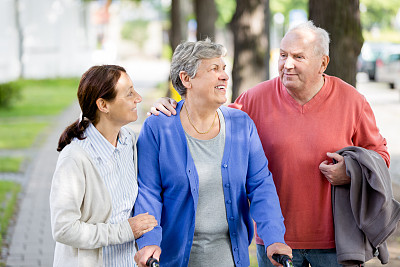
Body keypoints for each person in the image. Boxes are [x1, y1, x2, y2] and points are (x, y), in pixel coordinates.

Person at [149, 21, 390, 267]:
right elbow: (208, 118)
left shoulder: (352, 101)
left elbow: (380, 155)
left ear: (323, 63)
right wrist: (171, 104)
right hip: (274, 240)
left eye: (298, 57)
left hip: (335, 242)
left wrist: (350, 172)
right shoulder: (253, 99)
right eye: (283, 55)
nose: (287, 64)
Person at [133, 39, 292, 267]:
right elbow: (148, 192)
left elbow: (261, 186)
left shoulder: (241, 124)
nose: (225, 76)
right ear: (186, 79)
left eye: (224, 68)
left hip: (230, 260)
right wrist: (148, 241)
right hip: (173, 260)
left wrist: (274, 238)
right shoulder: (158, 127)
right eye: (214, 69)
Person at [50, 65, 158, 267]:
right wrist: (125, 231)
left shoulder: (128, 142)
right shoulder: (75, 158)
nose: (139, 98)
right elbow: (63, 229)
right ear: (103, 105)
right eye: (129, 94)